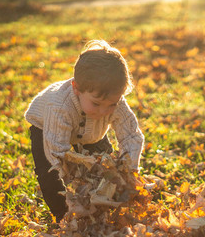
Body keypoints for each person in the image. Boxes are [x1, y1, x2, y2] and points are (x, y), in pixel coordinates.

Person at [25, 40, 144, 222]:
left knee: (106, 169)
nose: (103, 111)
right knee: (49, 174)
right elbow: (58, 154)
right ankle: (64, 216)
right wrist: (76, 189)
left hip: (92, 134)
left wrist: (129, 170)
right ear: (77, 89)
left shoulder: (115, 103)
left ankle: (103, 207)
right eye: (96, 103)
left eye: (111, 104)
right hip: (46, 129)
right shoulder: (59, 107)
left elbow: (131, 135)